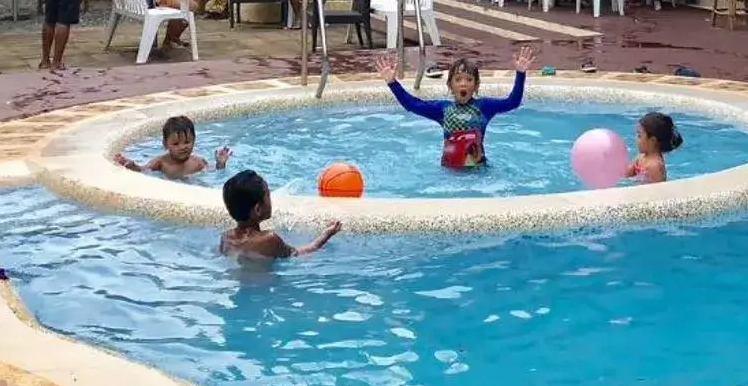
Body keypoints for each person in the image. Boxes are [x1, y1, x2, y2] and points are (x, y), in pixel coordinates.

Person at [374, 47, 530, 168]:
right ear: (450, 85)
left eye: (469, 79)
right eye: (458, 79)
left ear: (475, 85)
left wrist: (520, 73)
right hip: (449, 172)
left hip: (479, 171)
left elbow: (513, 102)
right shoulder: (443, 109)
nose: (463, 83)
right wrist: (392, 82)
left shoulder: (484, 107)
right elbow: (412, 104)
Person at [218, 169, 340, 260]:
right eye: (267, 195)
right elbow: (302, 252)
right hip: (264, 292)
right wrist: (326, 235)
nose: (270, 200)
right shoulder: (269, 239)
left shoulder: (226, 238)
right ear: (258, 209)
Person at [115, 114, 230, 179]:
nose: (182, 147)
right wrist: (132, 165)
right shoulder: (161, 162)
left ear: (194, 141)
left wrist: (220, 163)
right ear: (165, 144)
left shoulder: (198, 162)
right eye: (176, 144)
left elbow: (215, 172)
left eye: (187, 142)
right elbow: (143, 170)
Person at [626, 110, 683, 183]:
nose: (636, 139)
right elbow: (626, 174)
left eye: (639, 136)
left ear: (652, 140)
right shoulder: (641, 156)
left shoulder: (655, 167)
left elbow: (656, 191)